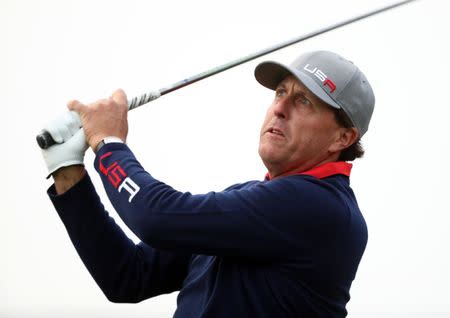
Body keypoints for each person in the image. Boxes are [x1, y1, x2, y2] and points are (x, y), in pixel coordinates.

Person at [41, 50, 375, 317]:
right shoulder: (248, 199)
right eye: (280, 92)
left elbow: (157, 218)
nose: (280, 108)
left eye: (304, 101)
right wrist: (67, 171)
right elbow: (127, 275)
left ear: (342, 137)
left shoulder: (323, 208)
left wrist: (108, 144)